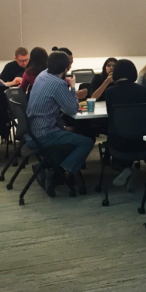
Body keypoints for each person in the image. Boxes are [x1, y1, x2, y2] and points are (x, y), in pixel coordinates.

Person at [26, 51, 94, 194]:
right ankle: (60, 173)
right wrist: (73, 87)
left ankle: (49, 166)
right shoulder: (58, 84)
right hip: (45, 133)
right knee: (87, 141)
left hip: (32, 131)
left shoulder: (43, 75)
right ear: (65, 69)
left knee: (73, 134)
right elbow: (73, 109)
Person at [104, 59, 146, 188]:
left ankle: (125, 169)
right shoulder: (142, 90)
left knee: (119, 131)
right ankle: (131, 171)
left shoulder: (110, 92)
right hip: (143, 142)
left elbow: (112, 117)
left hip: (119, 143)